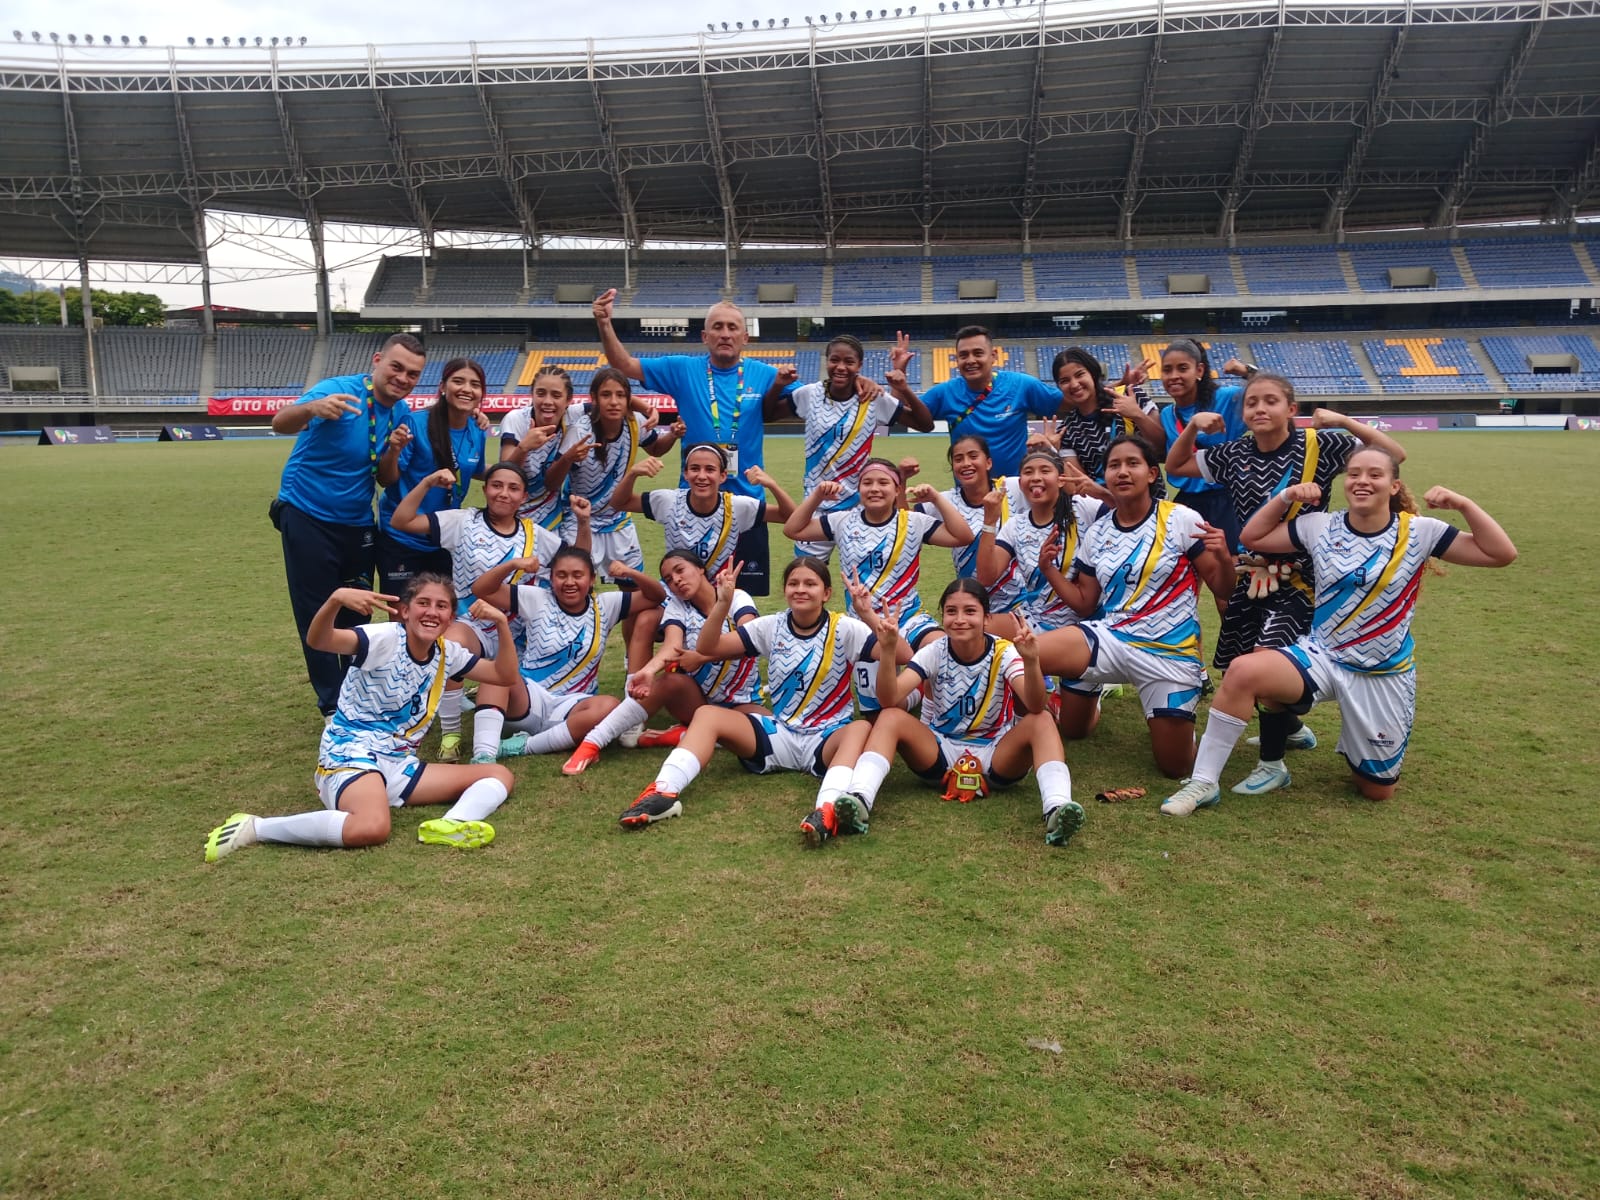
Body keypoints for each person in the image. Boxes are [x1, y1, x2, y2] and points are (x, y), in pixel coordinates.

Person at [1158, 449, 1517, 815]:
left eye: (1375, 475)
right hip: (1323, 657)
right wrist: (1286, 497)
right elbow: (1254, 537)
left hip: (1382, 674)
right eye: (1354, 473)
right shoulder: (1320, 526)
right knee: (1243, 670)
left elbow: (1501, 554)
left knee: (1376, 791)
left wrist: (1463, 504)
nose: (1362, 481)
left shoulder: (1421, 532)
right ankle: (1204, 782)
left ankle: (1359, 746)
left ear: (1394, 486)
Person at [1164, 372, 1408, 792]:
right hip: (1252, 572)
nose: (1260, 409)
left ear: (1291, 410)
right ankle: (1291, 728)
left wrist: (1345, 422)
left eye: (1271, 401)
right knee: (1244, 664)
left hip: (1304, 576)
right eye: (1252, 402)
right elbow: (1176, 467)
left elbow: (1394, 452)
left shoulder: (1321, 444)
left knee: (1267, 654)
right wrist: (1193, 429)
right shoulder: (1234, 452)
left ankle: (1272, 764)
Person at [203, 574, 519, 862]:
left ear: (451, 617)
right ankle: (255, 827)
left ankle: (453, 824)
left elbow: (504, 675)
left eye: (441, 606)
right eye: (423, 603)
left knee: (497, 775)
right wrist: (336, 599)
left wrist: (502, 626)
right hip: (350, 753)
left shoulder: (448, 653)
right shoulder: (383, 638)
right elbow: (320, 641)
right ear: (405, 611)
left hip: (398, 762)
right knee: (372, 827)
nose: (432, 612)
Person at [618, 556, 882, 840]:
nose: (800, 589)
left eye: (810, 583)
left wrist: (868, 614)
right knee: (707, 714)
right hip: (780, 733)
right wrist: (722, 603)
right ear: (785, 590)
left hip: (826, 739)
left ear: (826, 593)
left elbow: (901, 654)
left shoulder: (845, 628)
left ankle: (826, 809)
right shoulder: (771, 626)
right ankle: (663, 793)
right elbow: (709, 646)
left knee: (861, 728)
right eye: (793, 583)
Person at [1034, 436, 1237, 778]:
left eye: (1132, 464)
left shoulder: (1181, 519)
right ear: (1106, 476)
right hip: (1111, 639)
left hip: (1168, 652)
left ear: (1152, 474)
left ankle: (1175, 706)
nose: (1122, 472)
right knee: (1037, 673)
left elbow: (1223, 587)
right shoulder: (1098, 532)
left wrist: (1222, 556)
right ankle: (1087, 690)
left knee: (1176, 767)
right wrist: (1049, 570)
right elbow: (1085, 603)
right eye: (1114, 466)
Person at [833, 578, 1085, 847]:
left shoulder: (1004, 651)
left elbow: (1035, 704)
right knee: (890, 717)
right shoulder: (934, 651)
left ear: (986, 618)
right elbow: (890, 697)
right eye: (951, 612)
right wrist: (887, 649)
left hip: (996, 752)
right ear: (943, 616)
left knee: (1043, 719)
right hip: (940, 750)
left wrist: (1032, 660)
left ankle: (1057, 808)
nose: (960, 619)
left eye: (970, 611)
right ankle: (859, 798)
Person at [388, 465, 592, 761]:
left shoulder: (536, 535)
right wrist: (428, 481)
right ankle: (452, 736)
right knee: (452, 643)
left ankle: (524, 720)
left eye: (513, 488)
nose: (504, 493)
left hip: (524, 635)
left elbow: (579, 561)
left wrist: (583, 522)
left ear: (523, 496)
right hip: (475, 625)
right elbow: (401, 520)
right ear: (485, 490)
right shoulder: (464, 521)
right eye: (496, 485)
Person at [270, 332, 426, 718]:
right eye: (396, 367)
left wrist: (393, 451)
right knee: (316, 609)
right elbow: (279, 423)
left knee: (360, 612)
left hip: (357, 523)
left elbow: (386, 480)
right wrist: (313, 409)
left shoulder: (401, 414)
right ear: (377, 361)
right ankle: (331, 704)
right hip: (307, 514)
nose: (403, 378)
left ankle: (355, 694)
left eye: (412, 374)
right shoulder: (337, 390)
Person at [595, 289, 786, 594]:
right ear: (704, 336)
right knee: (688, 594)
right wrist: (605, 324)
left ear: (745, 337)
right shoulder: (682, 369)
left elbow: (819, 397)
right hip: (691, 510)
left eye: (733, 327)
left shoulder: (765, 374)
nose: (725, 334)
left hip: (745, 508)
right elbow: (624, 366)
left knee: (742, 603)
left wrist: (865, 383)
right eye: (718, 327)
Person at [784, 458, 973, 711]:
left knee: (944, 649)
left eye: (883, 482)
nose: (874, 488)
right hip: (864, 624)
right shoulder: (842, 521)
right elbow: (793, 529)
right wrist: (817, 496)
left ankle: (927, 696)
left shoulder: (913, 522)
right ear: (858, 489)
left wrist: (937, 498)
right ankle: (916, 690)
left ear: (897, 490)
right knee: (884, 708)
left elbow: (964, 536)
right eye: (867, 483)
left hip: (908, 617)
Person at [468, 545, 661, 772]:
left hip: (574, 707)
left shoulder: (606, 605)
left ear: (591, 580)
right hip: (529, 698)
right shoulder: (536, 598)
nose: (569, 582)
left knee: (610, 707)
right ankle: (484, 756)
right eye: (561, 575)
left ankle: (523, 746)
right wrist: (512, 564)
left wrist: (630, 573)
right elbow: (482, 589)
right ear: (550, 579)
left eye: (577, 575)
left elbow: (656, 596)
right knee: (494, 673)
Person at [762, 332, 934, 558]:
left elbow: (925, 424)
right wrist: (777, 385)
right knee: (807, 575)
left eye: (849, 361)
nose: (840, 367)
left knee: (862, 579)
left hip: (859, 507)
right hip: (816, 506)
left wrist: (904, 388)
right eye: (835, 360)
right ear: (827, 362)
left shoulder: (872, 398)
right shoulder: (811, 394)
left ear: (860, 365)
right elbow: (767, 414)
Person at [375, 357, 491, 596]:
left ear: (482, 393)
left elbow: (476, 470)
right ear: (442, 387)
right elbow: (386, 479)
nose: (466, 389)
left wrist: (522, 471)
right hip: (402, 538)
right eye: (458, 381)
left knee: (442, 614)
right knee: (402, 615)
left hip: (443, 538)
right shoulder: (415, 423)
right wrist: (394, 451)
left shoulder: (476, 431)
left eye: (475, 384)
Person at [561, 366, 683, 583]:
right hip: (581, 520)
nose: (614, 402)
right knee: (577, 589)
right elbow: (554, 480)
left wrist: (672, 434)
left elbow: (655, 448)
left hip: (617, 520)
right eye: (606, 395)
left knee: (635, 589)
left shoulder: (634, 423)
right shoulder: (579, 430)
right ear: (595, 398)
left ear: (628, 399)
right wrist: (567, 458)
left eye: (620, 395)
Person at [608, 443, 797, 581]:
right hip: (677, 589)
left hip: (720, 592)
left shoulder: (736, 507)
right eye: (694, 469)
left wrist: (771, 484)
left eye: (710, 469)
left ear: (723, 476)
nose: (701, 476)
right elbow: (619, 503)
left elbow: (791, 517)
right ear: (685, 474)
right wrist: (632, 473)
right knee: (645, 619)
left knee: (745, 621)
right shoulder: (669, 501)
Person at [906, 325, 1065, 477]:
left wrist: (1054, 443)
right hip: (970, 496)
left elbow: (1071, 402)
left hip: (1017, 491)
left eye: (978, 353)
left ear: (993, 356)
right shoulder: (945, 392)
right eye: (963, 355)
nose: (970, 360)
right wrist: (899, 378)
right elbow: (903, 413)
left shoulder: (1021, 385)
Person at [1155, 339, 1250, 551]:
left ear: (1199, 370)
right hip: (1188, 502)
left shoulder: (1226, 398)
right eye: (1167, 370)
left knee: (1234, 565)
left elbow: (1273, 390)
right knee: (1180, 565)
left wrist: (1245, 371)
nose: (1173, 376)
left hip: (1227, 500)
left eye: (1182, 368)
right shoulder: (1167, 414)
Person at [1050, 347, 1167, 494]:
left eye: (1080, 374)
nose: (1074, 384)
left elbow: (1162, 448)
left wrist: (1138, 415)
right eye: (1064, 381)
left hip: (1153, 505)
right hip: (1106, 512)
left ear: (1093, 373)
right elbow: (1081, 486)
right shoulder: (1066, 430)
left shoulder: (1130, 396)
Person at [932, 434, 1027, 588]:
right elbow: (904, 524)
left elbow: (1049, 488)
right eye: (958, 459)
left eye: (973, 456)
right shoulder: (946, 501)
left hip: (1018, 601)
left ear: (988, 463)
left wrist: (1050, 449)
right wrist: (902, 481)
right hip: (972, 600)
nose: (966, 463)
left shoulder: (1011, 488)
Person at [498, 365, 584, 530]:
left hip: (551, 520)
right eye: (540, 393)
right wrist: (524, 447)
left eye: (556, 395)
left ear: (568, 400)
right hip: (513, 518)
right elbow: (505, 475)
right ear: (532, 395)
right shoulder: (516, 419)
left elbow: (607, 399)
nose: (547, 401)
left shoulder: (572, 415)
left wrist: (646, 408)